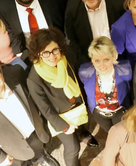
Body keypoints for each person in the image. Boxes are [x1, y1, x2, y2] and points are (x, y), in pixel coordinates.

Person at [0, 56, 57, 166]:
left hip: (34, 133)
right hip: (12, 150)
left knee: (38, 149)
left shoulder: (17, 73)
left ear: (1, 71)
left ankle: (41, 157)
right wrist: (0, 158)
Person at [26, 28, 99, 166]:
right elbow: (46, 110)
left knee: (82, 125)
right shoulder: (34, 79)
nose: (52, 56)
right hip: (61, 118)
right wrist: (65, 127)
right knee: (73, 148)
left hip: (77, 106)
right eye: (45, 52)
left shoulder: (66, 57)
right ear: (37, 53)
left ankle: (83, 134)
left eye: (55, 50)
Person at [0, 0, 67, 61]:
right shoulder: (3, 7)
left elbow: (66, 23)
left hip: (58, 51)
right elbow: (12, 34)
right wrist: (21, 57)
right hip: (29, 56)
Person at [66, 0, 126, 65]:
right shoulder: (72, 8)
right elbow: (72, 41)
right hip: (88, 63)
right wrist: (90, 63)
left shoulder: (118, 6)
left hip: (117, 62)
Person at [78, 36, 133, 131]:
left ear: (114, 56)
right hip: (99, 114)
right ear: (92, 60)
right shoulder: (84, 73)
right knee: (110, 132)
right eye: (97, 61)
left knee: (122, 133)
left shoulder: (125, 71)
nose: (102, 65)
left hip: (120, 112)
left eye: (106, 60)